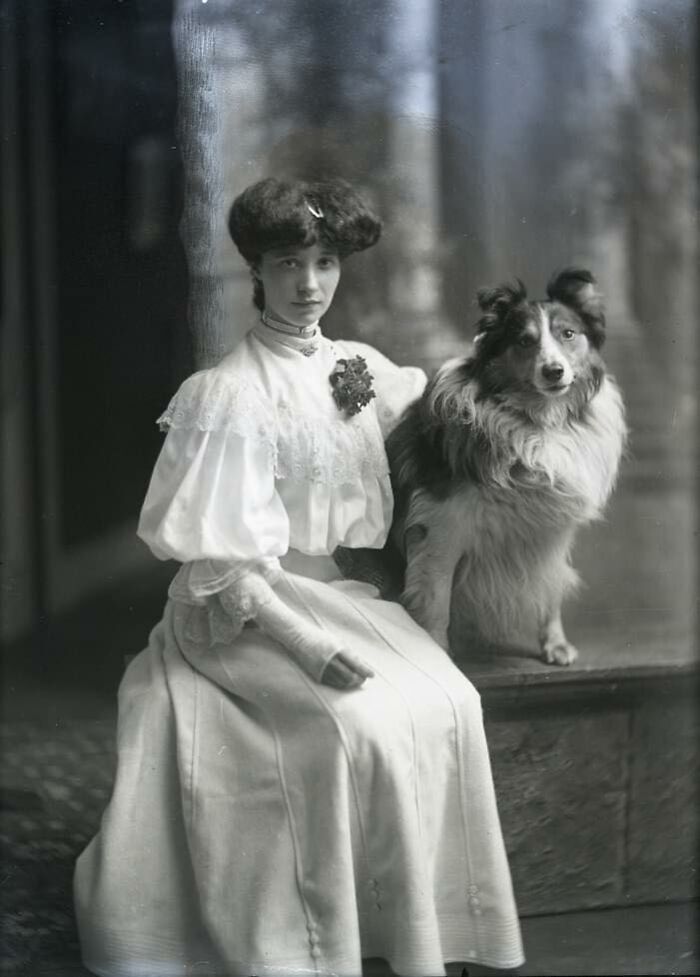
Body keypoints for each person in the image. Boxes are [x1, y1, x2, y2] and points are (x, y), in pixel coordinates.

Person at [74, 177, 524, 977]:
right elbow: (219, 562)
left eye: (324, 262)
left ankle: (417, 933)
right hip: (244, 610)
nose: (309, 285)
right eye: (288, 263)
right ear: (257, 269)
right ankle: (315, 945)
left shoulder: (363, 370)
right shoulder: (228, 395)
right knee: (364, 724)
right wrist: (306, 646)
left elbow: (443, 423)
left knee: (453, 700)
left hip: (344, 595)